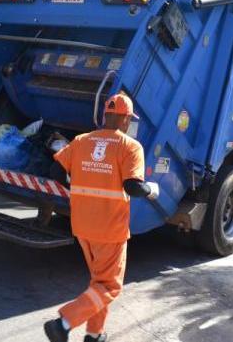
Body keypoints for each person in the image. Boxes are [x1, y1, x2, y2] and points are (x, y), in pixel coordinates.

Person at [43, 94, 159, 342]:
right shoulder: (130, 146)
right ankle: (63, 323)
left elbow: (55, 171)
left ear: (105, 116)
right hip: (110, 228)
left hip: (83, 225)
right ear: (127, 119)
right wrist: (151, 190)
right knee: (110, 286)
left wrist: (78, 182)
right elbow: (133, 187)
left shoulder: (81, 141)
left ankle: (94, 335)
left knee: (100, 282)